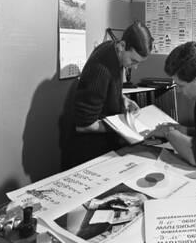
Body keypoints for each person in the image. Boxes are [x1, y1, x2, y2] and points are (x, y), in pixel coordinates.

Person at [66, 21, 154, 167]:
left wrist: (123, 99)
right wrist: (121, 125)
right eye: (133, 60)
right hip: (89, 153)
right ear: (122, 46)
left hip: (106, 147)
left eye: (139, 62)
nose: (135, 67)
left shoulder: (112, 49)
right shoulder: (101, 70)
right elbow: (83, 125)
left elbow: (105, 90)